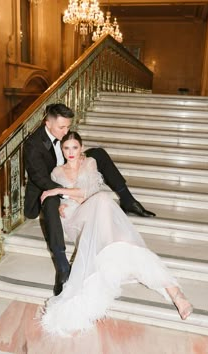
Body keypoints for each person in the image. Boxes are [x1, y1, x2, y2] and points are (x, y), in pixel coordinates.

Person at [40, 131, 193, 337]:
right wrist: (62, 200)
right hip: (75, 218)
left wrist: (60, 192)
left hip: (94, 209)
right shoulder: (57, 172)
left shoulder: (90, 163)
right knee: (104, 202)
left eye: (75, 147)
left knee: (111, 215)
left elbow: (89, 193)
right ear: (62, 150)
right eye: (66, 148)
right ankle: (113, 252)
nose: (71, 152)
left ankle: (176, 294)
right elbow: (71, 200)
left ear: (81, 148)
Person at [23, 103, 155, 297]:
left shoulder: (64, 137)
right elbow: (40, 179)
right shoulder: (33, 144)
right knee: (51, 201)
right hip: (48, 188)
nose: (66, 131)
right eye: (62, 127)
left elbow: (72, 151)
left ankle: (127, 199)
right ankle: (61, 265)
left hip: (68, 176)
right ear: (47, 123)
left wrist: (78, 163)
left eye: (68, 126)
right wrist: (66, 194)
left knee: (98, 154)